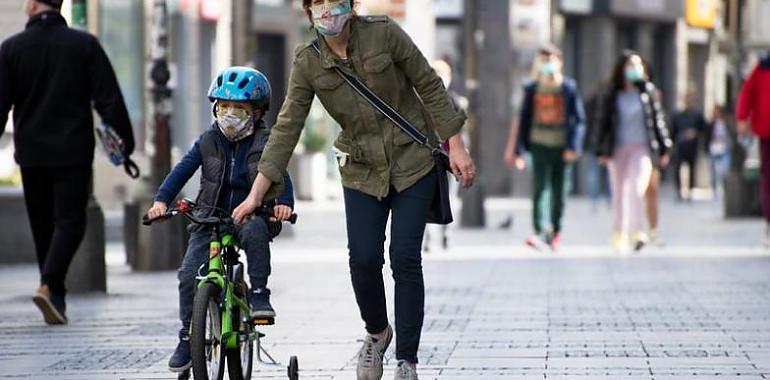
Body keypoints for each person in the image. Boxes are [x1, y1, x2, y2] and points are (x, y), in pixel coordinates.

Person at [231, 1, 476, 379]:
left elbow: (428, 82)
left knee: (405, 258)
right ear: (308, 11)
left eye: (334, 3)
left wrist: (455, 145)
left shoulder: (383, 33)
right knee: (363, 260)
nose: (328, 12)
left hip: (413, 162)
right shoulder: (308, 62)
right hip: (361, 169)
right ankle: (378, 333)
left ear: (350, 5)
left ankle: (406, 361)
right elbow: (286, 129)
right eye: (318, 5)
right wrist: (256, 193)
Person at [145, 67, 295, 373]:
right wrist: (161, 201)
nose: (229, 114)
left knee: (254, 233)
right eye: (223, 107)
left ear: (256, 112)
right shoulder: (208, 140)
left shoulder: (266, 141)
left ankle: (259, 295)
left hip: (250, 213)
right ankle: (188, 337)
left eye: (239, 108)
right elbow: (182, 170)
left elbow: (280, 174)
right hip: (208, 216)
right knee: (189, 275)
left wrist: (283, 204)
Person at [0, 0, 135, 324]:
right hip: (72, 151)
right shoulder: (83, 45)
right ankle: (50, 286)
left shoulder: (11, 49)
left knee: (43, 225)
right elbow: (109, 100)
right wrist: (125, 145)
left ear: (32, 6)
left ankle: (54, 293)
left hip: (31, 153)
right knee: (71, 222)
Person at [505, 44, 585, 251]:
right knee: (539, 188)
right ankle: (539, 230)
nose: (547, 63)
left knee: (559, 190)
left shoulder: (568, 88)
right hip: (538, 144)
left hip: (562, 147)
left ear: (560, 62)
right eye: (543, 60)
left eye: (551, 59)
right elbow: (523, 119)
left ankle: (556, 230)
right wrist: (518, 151)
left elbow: (578, 120)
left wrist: (573, 146)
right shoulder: (532, 88)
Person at [594, 51, 672, 253]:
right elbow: (602, 122)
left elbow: (658, 122)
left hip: (641, 148)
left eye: (638, 65)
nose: (634, 70)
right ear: (622, 69)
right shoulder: (612, 94)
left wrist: (665, 147)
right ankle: (619, 233)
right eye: (630, 65)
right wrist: (600, 149)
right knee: (619, 192)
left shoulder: (648, 92)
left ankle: (637, 232)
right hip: (617, 149)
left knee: (637, 188)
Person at [736, 52, 770, 247]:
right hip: (767, 132)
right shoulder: (764, 66)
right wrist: (742, 117)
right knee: (767, 179)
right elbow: (748, 91)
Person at [671, 92, 707, 201]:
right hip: (680, 146)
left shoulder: (697, 115)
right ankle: (679, 191)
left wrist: (695, 133)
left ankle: (690, 191)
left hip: (692, 147)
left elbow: (704, 129)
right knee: (677, 168)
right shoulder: (677, 115)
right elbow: (673, 131)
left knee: (692, 169)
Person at [706, 104, 734, 198]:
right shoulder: (711, 123)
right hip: (713, 148)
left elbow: (732, 134)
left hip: (724, 148)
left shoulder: (727, 123)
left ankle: (726, 189)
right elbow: (707, 136)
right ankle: (714, 190)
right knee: (712, 170)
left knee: (725, 170)